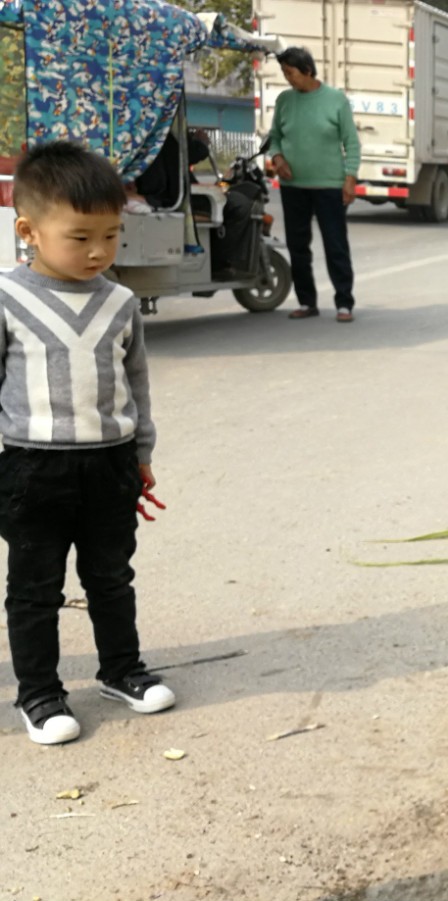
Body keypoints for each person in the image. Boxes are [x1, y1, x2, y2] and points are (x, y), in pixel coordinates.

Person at [1, 141, 171, 745]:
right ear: (29, 229)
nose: (98, 251)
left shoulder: (122, 303)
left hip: (110, 466)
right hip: (31, 470)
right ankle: (41, 695)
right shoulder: (7, 298)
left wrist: (142, 454)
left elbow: (138, 383)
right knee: (35, 587)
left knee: (110, 576)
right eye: (79, 237)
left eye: (111, 234)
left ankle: (122, 671)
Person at [268, 47, 361, 323]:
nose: (288, 78)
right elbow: (274, 137)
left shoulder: (335, 100)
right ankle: (306, 302)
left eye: (291, 72)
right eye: (284, 73)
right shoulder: (285, 100)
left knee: (335, 244)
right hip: (293, 185)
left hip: (329, 186)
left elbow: (351, 143)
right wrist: (277, 156)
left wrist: (350, 178)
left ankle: (344, 303)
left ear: (307, 70)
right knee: (298, 246)